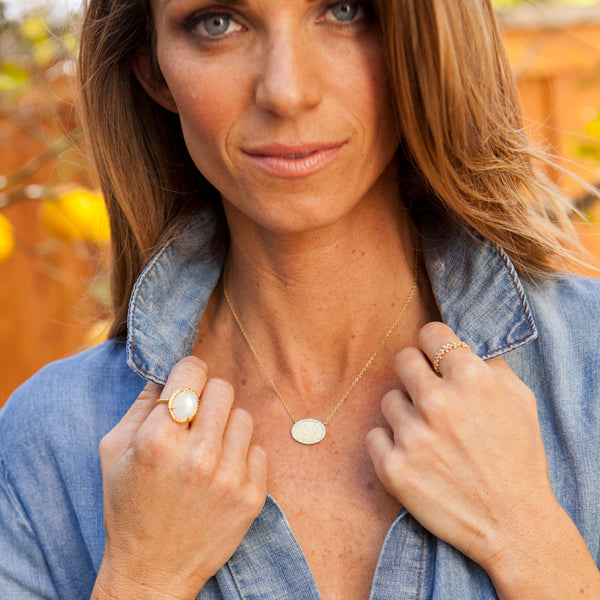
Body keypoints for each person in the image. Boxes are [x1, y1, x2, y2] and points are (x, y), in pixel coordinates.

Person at [1, 0, 600, 598]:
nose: (286, 92)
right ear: (152, 70)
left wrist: (530, 538)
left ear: (425, 40)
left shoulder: (588, 362)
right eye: (217, 23)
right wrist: (143, 576)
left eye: (344, 11)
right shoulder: (43, 445)